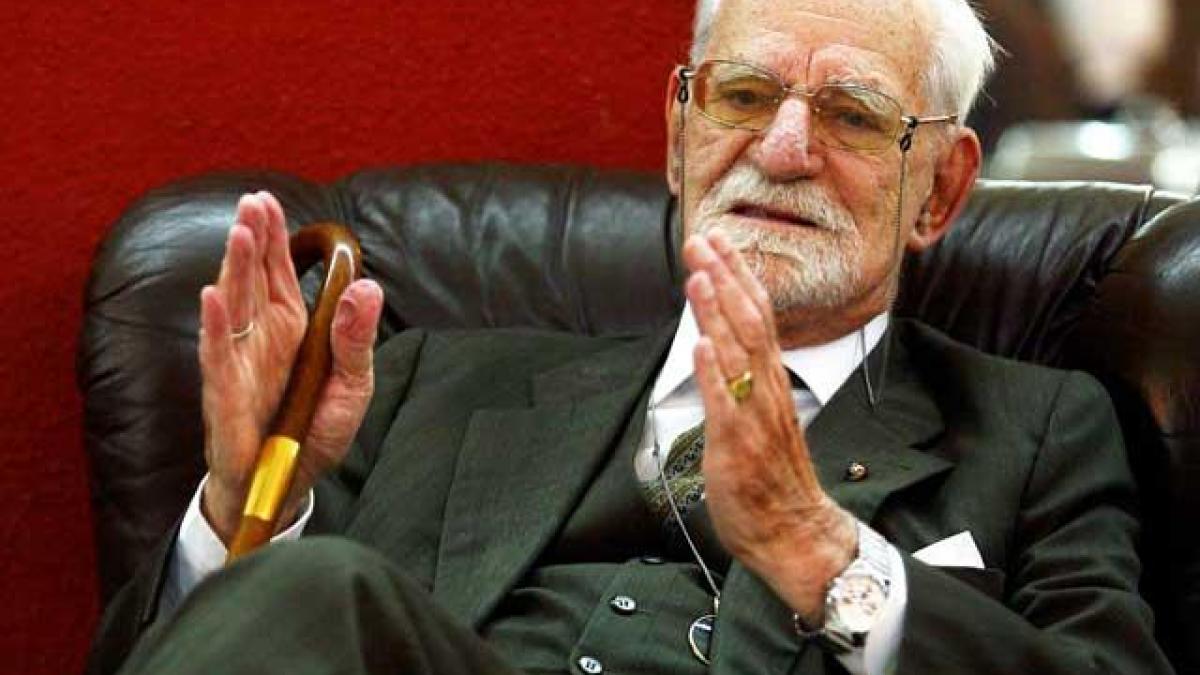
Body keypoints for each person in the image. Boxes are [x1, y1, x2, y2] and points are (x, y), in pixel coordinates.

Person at [88, 0, 1175, 673]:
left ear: (939, 190)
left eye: (851, 116)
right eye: (742, 95)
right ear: (677, 132)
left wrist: (823, 552)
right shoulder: (428, 383)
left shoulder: (1037, 430)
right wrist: (246, 502)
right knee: (310, 585)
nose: (783, 149)